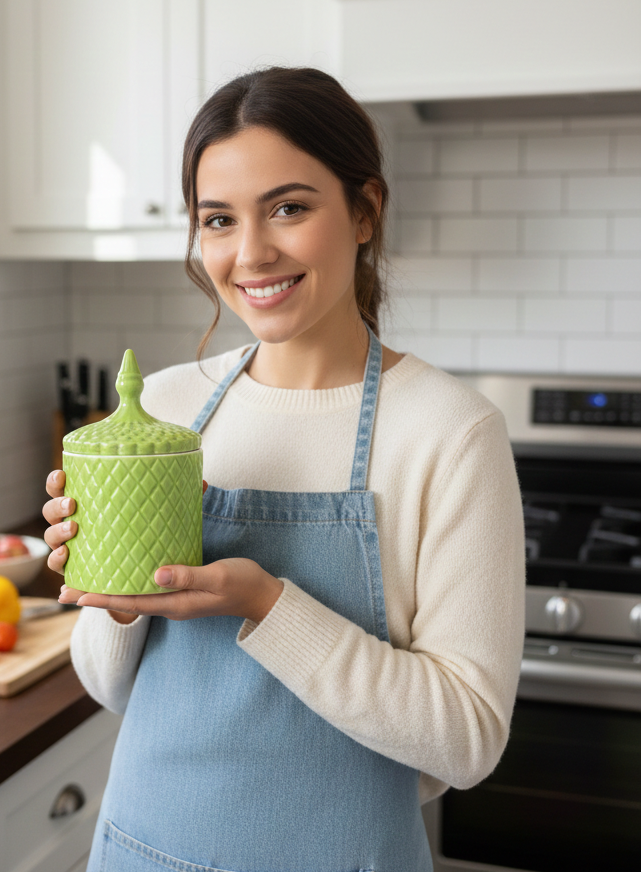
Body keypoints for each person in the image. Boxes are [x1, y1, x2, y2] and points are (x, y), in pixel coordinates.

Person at [42, 67, 525, 872]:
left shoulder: (450, 432)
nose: (251, 252)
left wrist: (264, 602)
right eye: (218, 220)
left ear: (365, 210)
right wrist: (112, 591)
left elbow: (468, 738)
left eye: (289, 208)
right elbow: (112, 687)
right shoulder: (165, 408)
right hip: (143, 851)